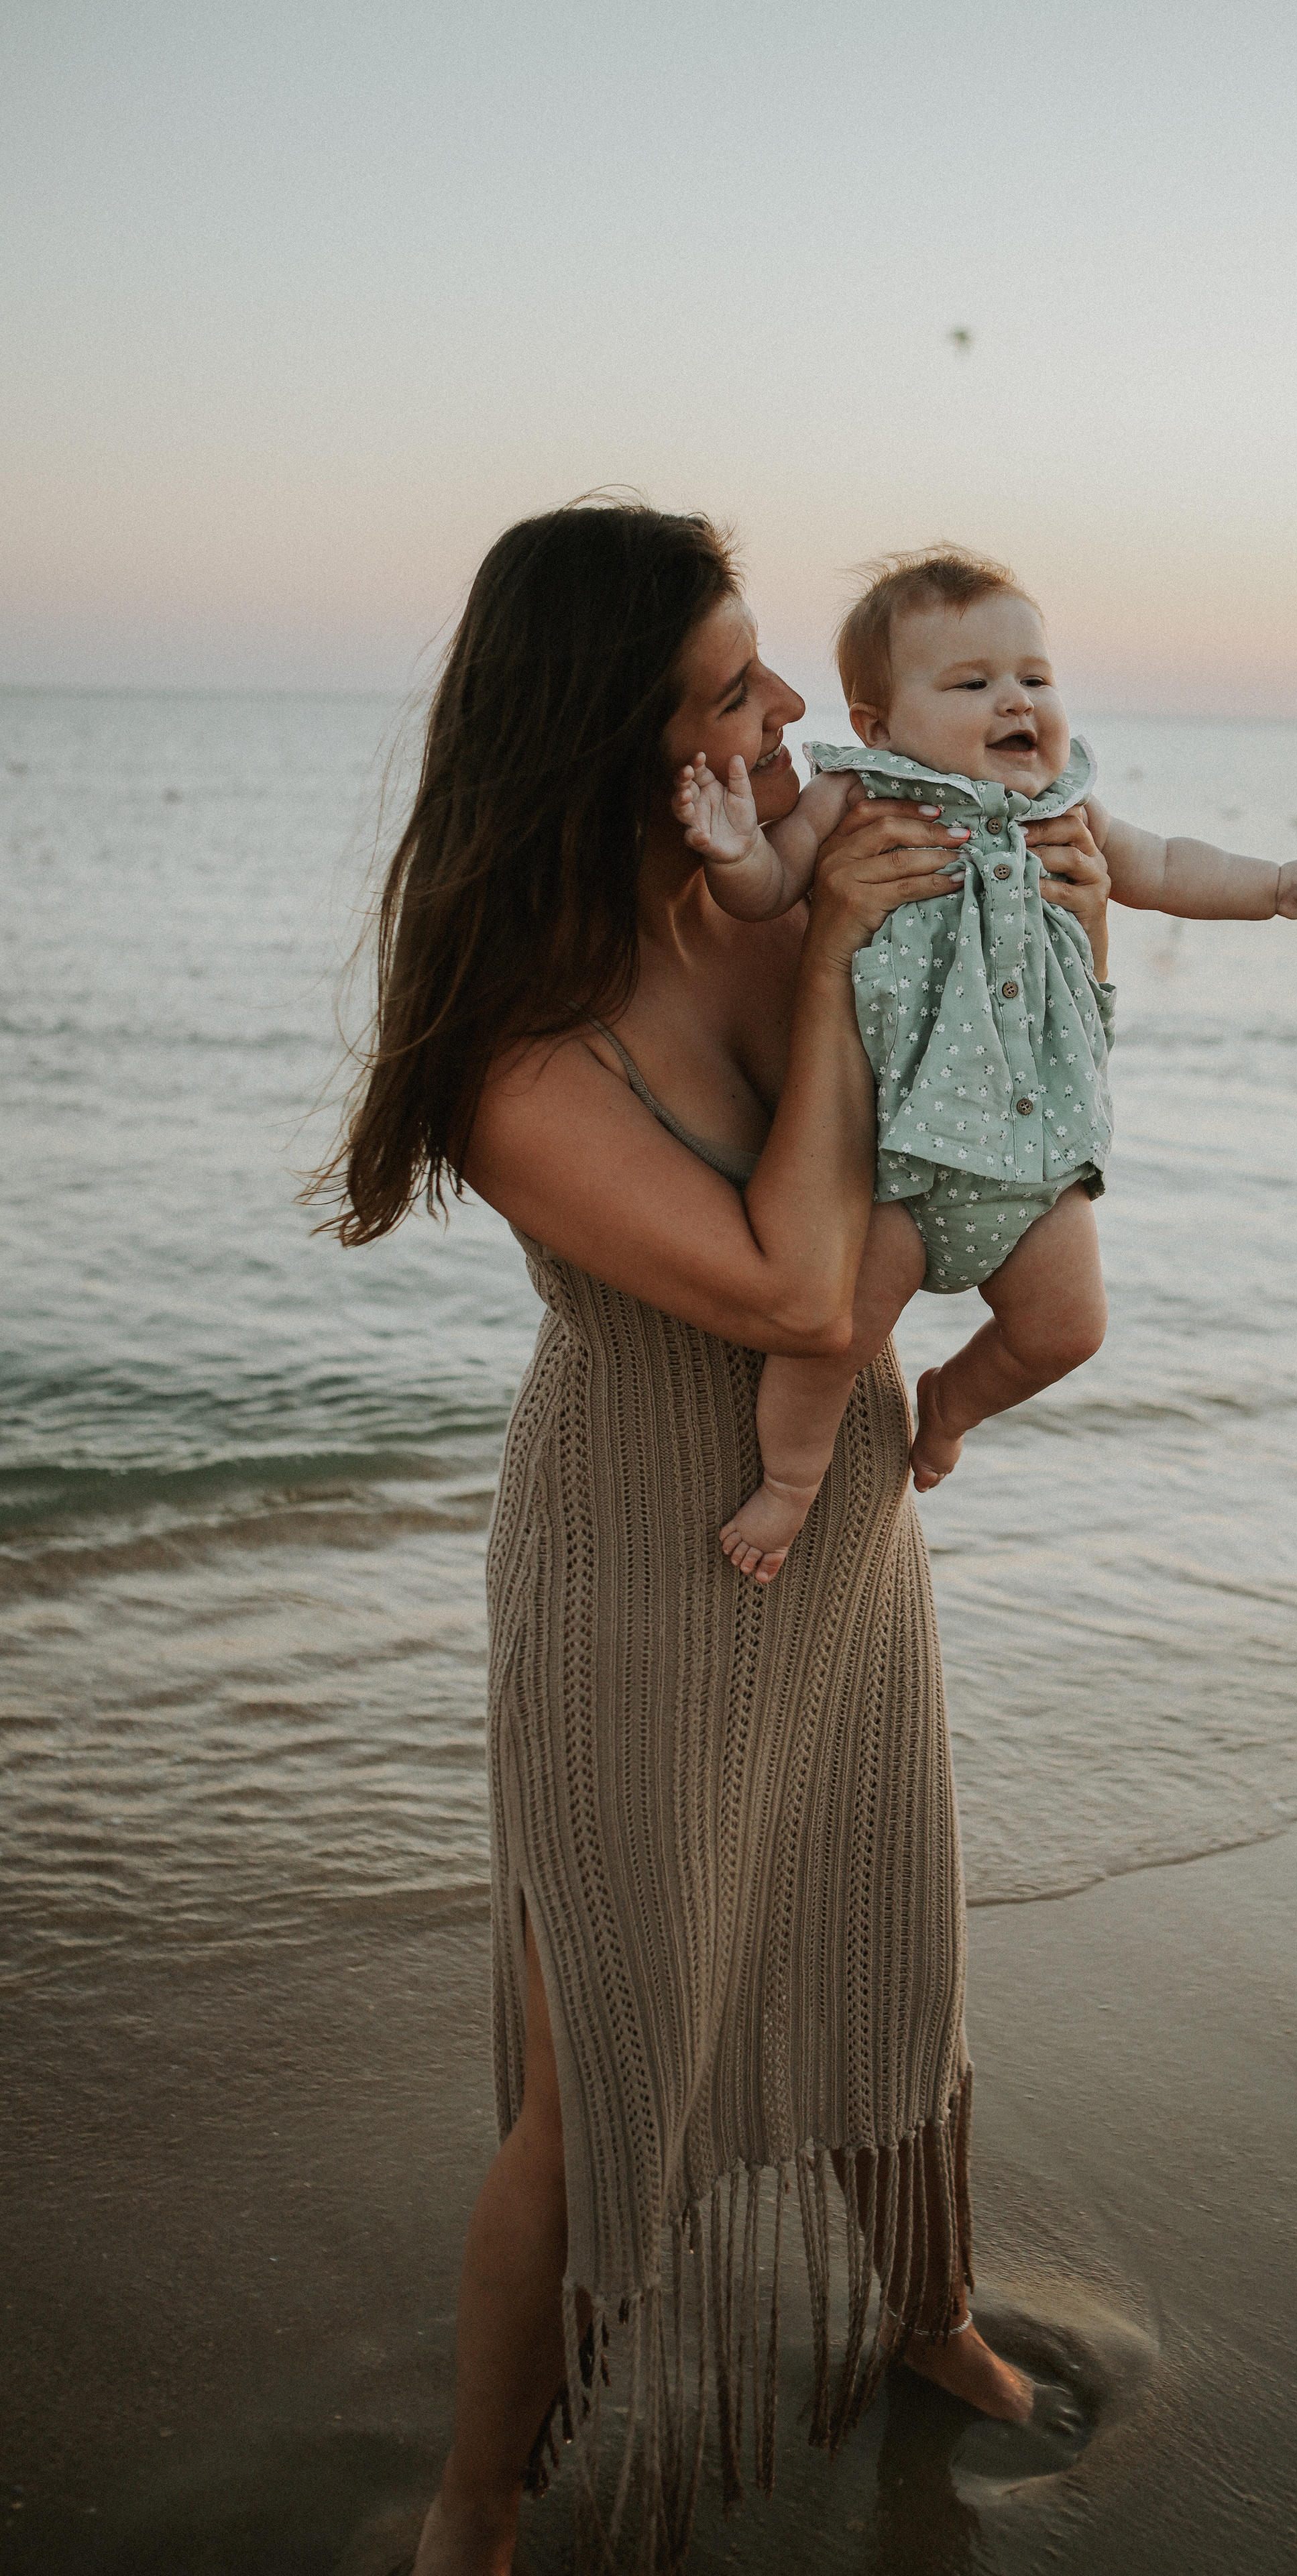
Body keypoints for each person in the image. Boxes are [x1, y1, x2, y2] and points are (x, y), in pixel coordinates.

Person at [317, 500, 1111, 2576]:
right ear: (605, 738)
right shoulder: (516, 1058)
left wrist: (1058, 921)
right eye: (722, 690)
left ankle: (925, 2307)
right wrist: (844, 947)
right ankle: (478, 2503)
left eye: (766, 667)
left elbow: (989, 1123)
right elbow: (784, 1285)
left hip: (834, 1516)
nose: (777, 714)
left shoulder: (761, 897)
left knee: (885, 1939)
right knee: (608, 2061)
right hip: (631, 1555)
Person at [674, 547, 1297, 1583]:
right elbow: (771, 891)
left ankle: (950, 1406)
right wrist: (734, 852)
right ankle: (792, 1484)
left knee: (1070, 1328)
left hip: (1036, 1152)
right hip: (899, 1154)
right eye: (972, 683)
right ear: (878, 722)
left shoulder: (1067, 811)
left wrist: (1276, 886)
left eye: (1034, 678)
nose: (1016, 702)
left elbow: (1166, 867)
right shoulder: (858, 799)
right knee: (832, 1335)